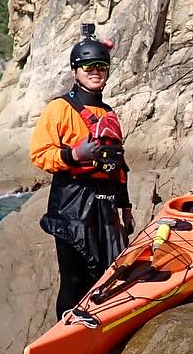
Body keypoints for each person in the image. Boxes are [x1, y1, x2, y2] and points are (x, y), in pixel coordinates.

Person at [29, 25, 135, 320]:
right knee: (74, 279)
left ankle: (97, 324)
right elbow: (40, 154)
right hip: (71, 203)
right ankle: (67, 326)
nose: (95, 71)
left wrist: (124, 206)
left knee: (103, 275)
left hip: (105, 202)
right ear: (75, 71)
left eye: (101, 66)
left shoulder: (109, 113)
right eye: (88, 66)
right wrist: (73, 155)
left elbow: (118, 164)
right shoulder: (59, 109)